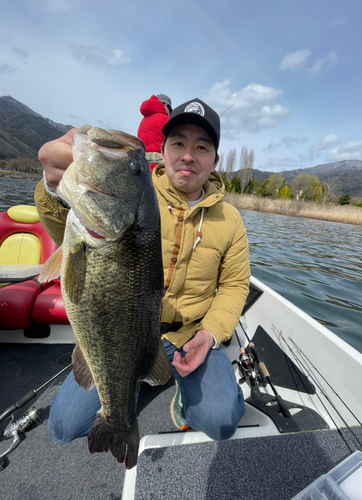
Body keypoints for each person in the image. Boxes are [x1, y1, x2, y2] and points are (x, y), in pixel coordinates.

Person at [35, 97, 250, 444]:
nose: (188, 155)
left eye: (202, 146)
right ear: (162, 151)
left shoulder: (231, 220)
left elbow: (235, 285)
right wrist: (54, 186)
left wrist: (210, 333)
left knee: (222, 421)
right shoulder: (137, 195)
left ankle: (182, 395)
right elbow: (64, 222)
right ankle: (137, 386)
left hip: (190, 335)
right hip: (121, 333)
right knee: (64, 426)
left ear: (215, 160)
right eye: (178, 143)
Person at [137, 94, 172, 173]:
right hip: (159, 167)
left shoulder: (143, 121)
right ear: (166, 105)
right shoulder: (166, 119)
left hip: (144, 165)